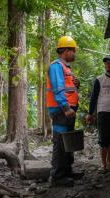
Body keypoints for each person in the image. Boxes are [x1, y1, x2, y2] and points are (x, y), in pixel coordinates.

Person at [46, 36, 83, 187]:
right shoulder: (56, 66)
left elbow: (68, 88)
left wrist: (77, 84)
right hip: (62, 110)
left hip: (67, 110)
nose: (74, 54)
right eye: (73, 51)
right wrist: (66, 107)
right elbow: (58, 88)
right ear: (66, 50)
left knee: (68, 141)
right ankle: (57, 176)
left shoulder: (66, 67)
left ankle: (67, 171)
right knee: (60, 142)